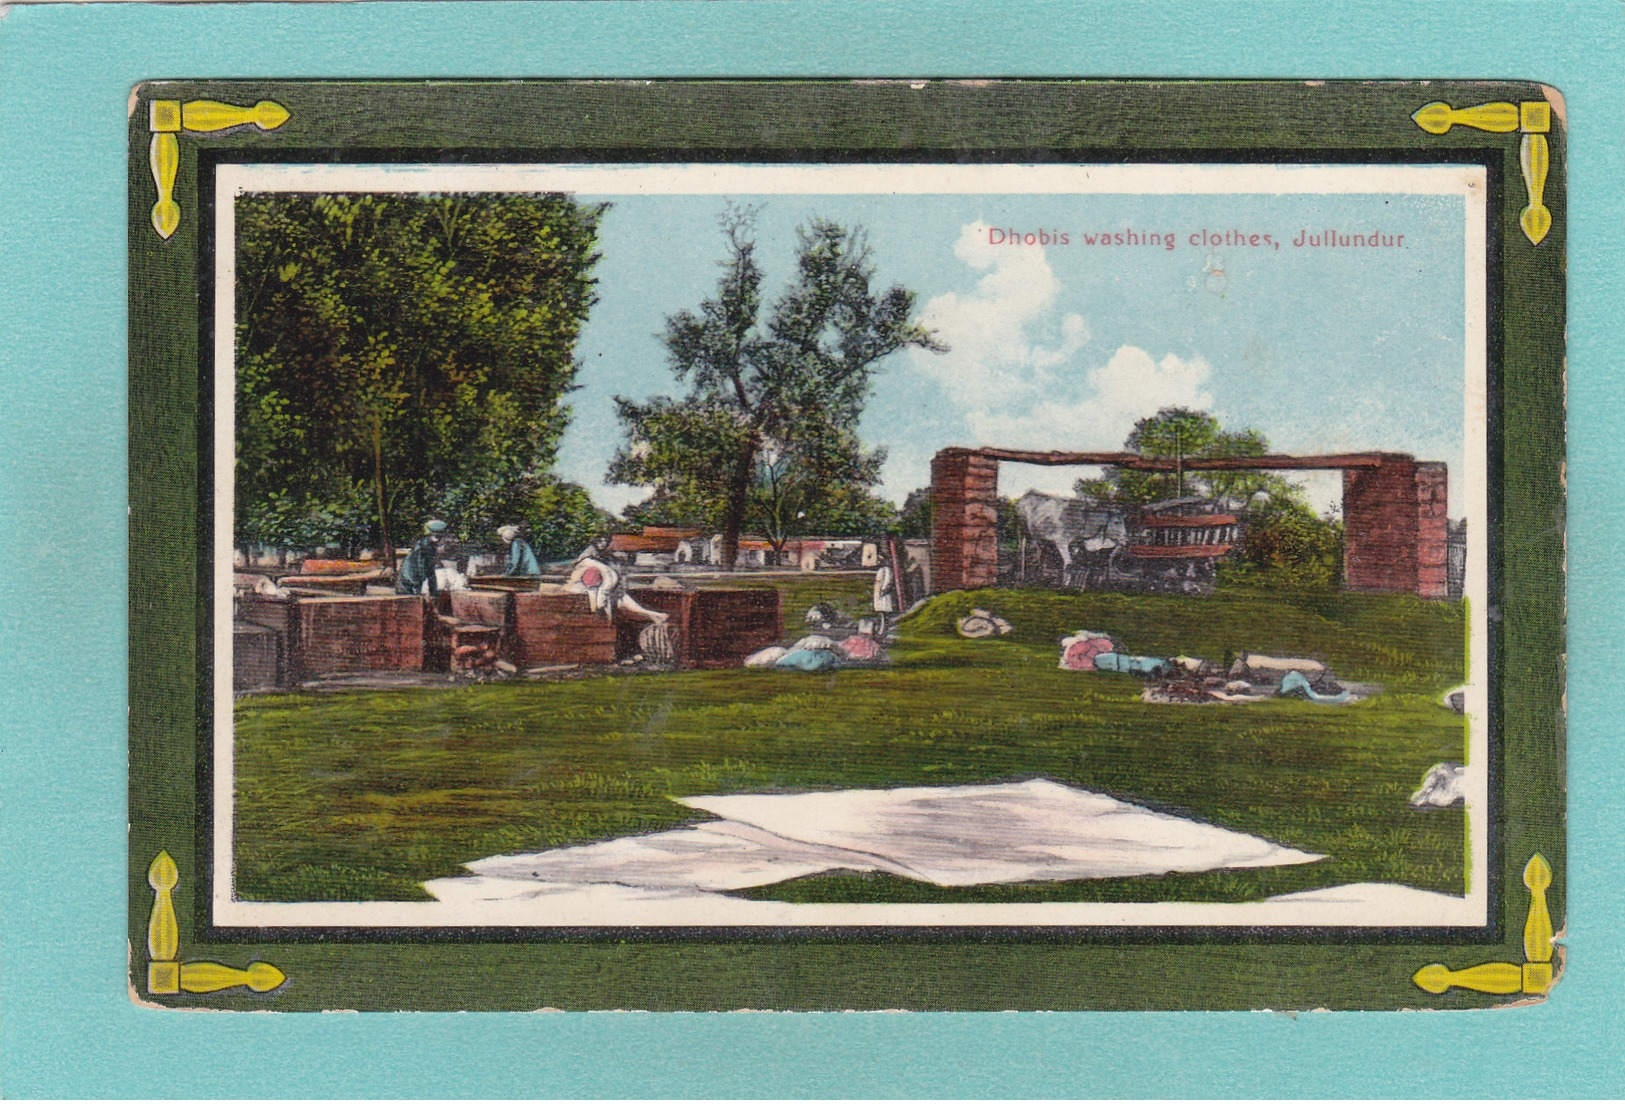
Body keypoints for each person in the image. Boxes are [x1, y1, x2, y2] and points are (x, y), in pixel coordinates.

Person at [395, 519, 447, 596]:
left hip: (415, 585)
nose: (440, 540)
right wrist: (417, 590)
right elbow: (412, 571)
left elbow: (431, 573)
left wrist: (433, 592)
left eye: (441, 537)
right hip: (407, 587)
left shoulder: (430, 548)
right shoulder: (420, 549)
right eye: (437, 536)